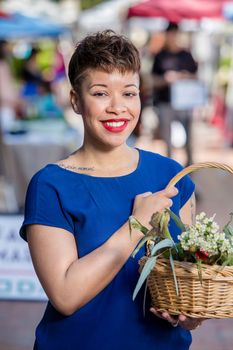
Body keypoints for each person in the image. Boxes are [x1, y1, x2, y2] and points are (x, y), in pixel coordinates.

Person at [20, 30, 204, 350]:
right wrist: (136, 226)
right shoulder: (51, 185)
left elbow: (184, 278)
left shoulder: (172, 176)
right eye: (101, 93)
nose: (118, 108)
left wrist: (189, 312)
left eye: (129, 93)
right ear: (76, 100)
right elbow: (65, 295)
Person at [151, 22, 198, 165]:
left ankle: (190, 168)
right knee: (167, 140)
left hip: (184, 102)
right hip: (165, 102)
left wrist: (184, 76)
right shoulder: (160, 56)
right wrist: (166, 79)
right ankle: (170, 169)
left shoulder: (186, 55)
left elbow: (196, 77)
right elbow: (153, 80)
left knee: (188, 139)